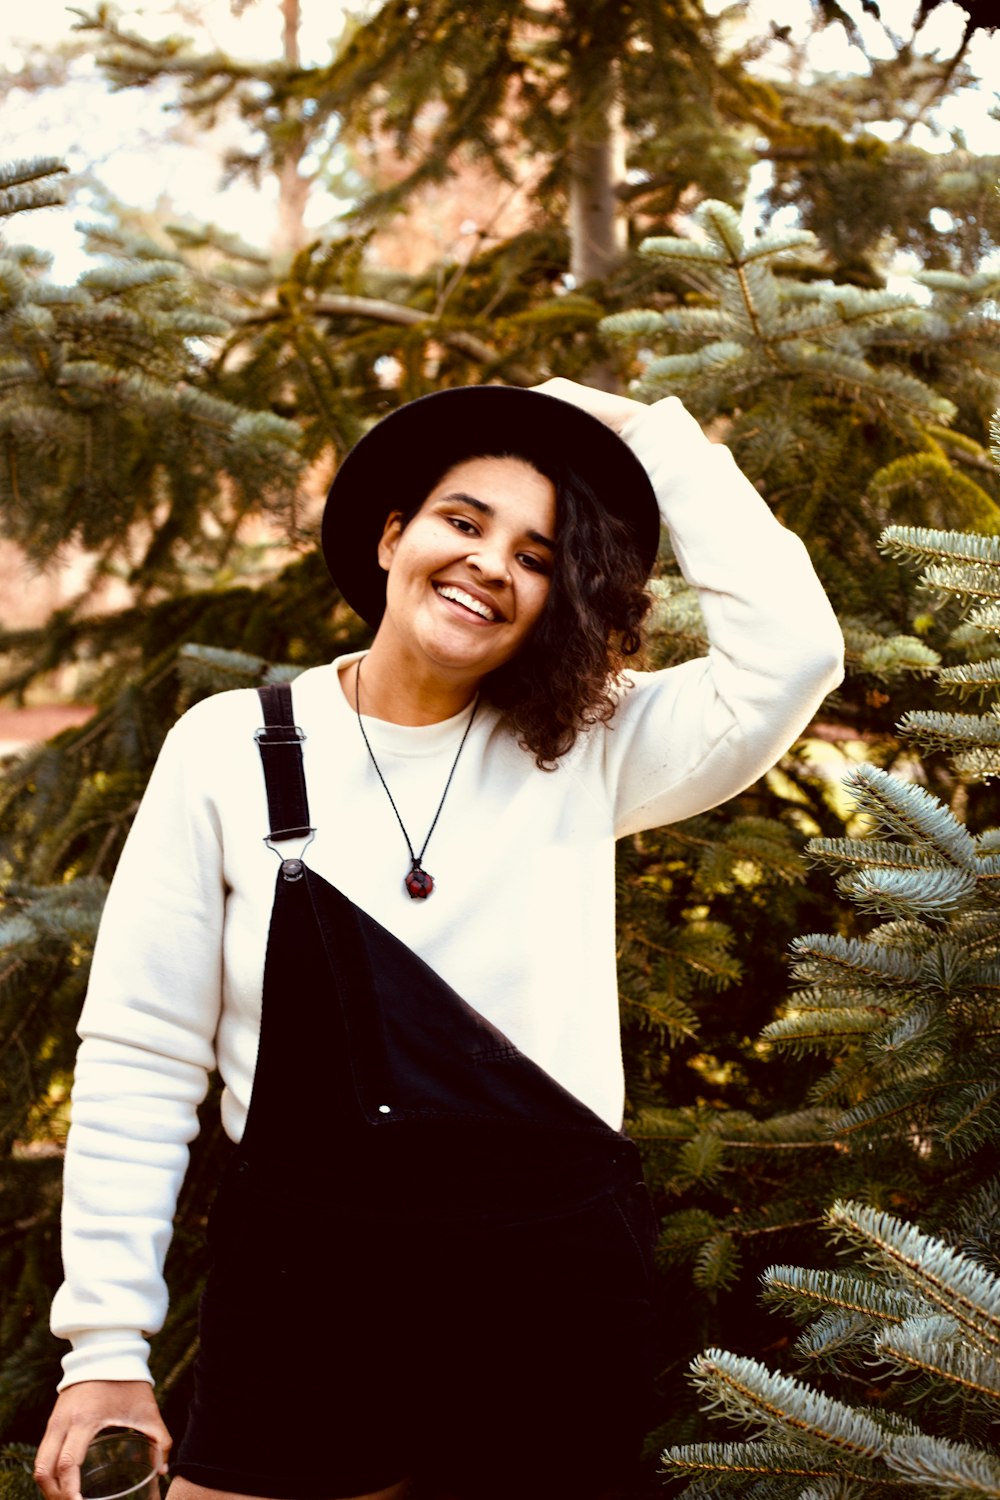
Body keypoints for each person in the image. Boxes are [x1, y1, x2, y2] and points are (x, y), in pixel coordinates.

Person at [34, 377, 843, 1500]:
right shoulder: (230, 747)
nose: (489, 564)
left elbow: (794, 655)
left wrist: (651, 437)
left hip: (550, 1276)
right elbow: (142, 1053)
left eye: (536, 554)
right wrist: (108, 1350)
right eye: (464, 522)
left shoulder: (588, 741)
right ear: (389, 535)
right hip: (305, 1276)